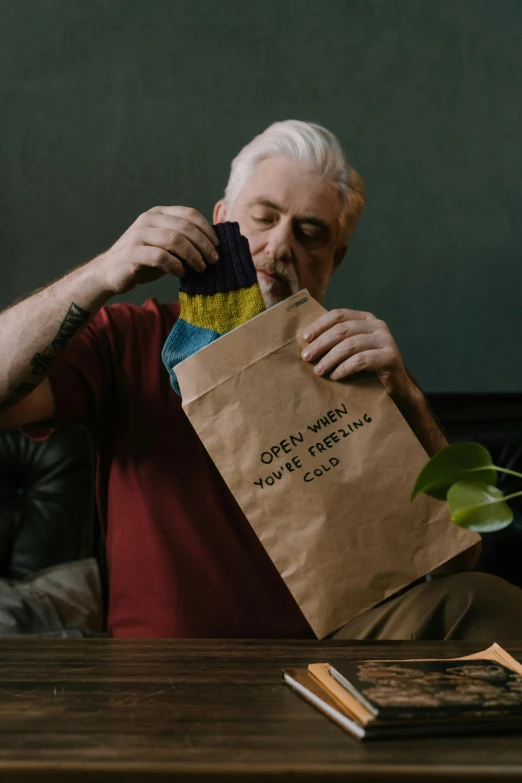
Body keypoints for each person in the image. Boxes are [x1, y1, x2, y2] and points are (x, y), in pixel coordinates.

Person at [0, 120, 521, 641]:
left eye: (310, 232)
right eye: (264, 217)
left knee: (486, 600)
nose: (280, 244)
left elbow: (461, 555)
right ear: (222, 220)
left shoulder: (353, 363)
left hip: (333, 651)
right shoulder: (132, 339)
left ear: (333, 260)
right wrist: (101, 274)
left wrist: (405, 395)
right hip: (170, 669)